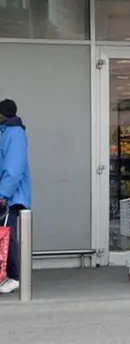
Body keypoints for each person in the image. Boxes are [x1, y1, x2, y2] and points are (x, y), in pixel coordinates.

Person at [0, 99, 31, 294]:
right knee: (5, 235)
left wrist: (3, 194)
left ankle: (15, 276)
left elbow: (14, 168)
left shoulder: (14, 134)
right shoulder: (7, 132)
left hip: (11, 196)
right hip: (7, 193)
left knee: (8, 236)